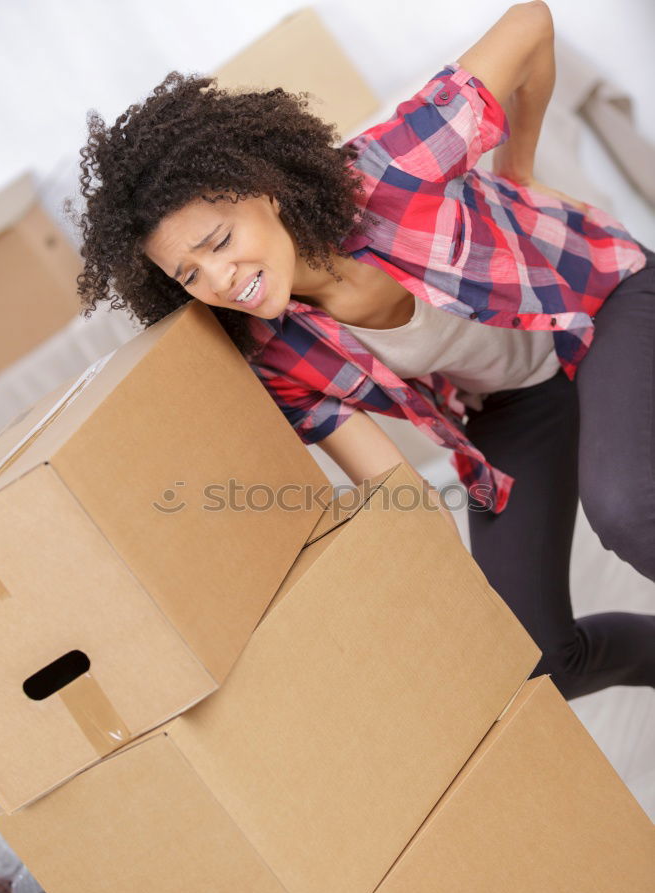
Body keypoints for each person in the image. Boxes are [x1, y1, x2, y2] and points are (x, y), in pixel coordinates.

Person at [71, 1, 654, 701]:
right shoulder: (274, 352)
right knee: (534, 658)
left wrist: (518, 168)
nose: (221, 278)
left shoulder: (394, 168)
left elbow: (531, 23)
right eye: (190, 276)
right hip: (517, 397)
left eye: (219, 241)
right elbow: (395, 491)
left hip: (602, 303)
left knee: (626, 507)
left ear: (267, 195)